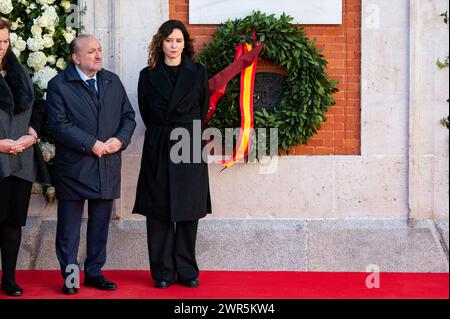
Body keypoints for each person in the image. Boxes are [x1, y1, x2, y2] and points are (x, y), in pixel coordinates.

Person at [46, 34, 136, 295]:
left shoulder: (111, 81)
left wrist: (120, 140)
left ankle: (95, 272)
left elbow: (128, 117)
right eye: (91, 52)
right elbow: (58, 125)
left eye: (99, 50)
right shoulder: (58, 85)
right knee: (69, 229)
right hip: (73, 168)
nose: (98, 56)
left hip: (106, 165)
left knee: (99, 225)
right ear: (76, 58)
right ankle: (71, 277)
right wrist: (91, 143)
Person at [133, 20, 212, 289]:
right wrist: (164, 132)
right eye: (168, 41)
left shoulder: (198, 72)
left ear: (185, 44)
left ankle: (187, 270)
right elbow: (145, 111)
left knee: (189, 209)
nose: (173, 46)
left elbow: (203, 109)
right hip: (159, 142)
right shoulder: (148, 75)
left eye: (178, 41)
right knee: (158, 210)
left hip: (188, 141)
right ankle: (163, 272)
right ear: (161, 43)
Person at [0, 18, 50, 296]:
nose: (2, 47)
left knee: (11, 224)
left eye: (5, 41)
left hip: (19, 162)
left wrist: (32, 134)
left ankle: (8, 278)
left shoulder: (18, 74)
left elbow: (39, 107)